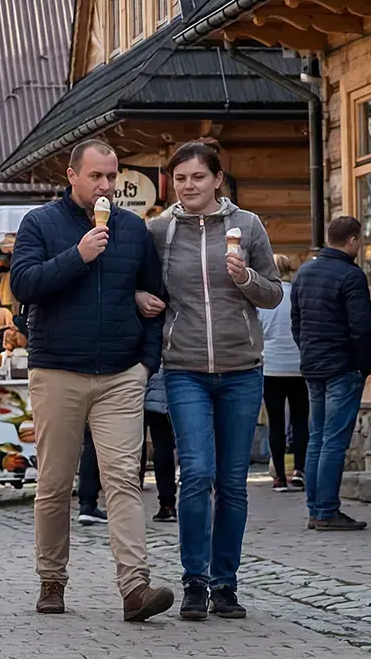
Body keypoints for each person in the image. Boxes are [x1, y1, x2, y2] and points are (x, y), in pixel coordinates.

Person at [9, 138, 172, 622]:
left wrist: (145, 363)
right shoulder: (40, 223)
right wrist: (78, 255)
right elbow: (24, 285)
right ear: (72, 176)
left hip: (121, 373)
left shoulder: (132, 229)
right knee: (55, 483)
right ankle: (51, 580)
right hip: (58, 370)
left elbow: (154, 296)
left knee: (123, 479)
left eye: (111, 176)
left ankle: (135, 588)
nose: (105, 185)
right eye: (96, 176)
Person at [144, 141, 283, 621]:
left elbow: (273, 293)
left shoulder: (248, 225)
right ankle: (194, 580)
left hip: (242, 369)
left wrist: (245, 278)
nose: (189, 186)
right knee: (198, 472)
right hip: (184, 369)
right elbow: (139, 285)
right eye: (181, 179)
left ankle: (225, 583)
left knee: (232, 482)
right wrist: (141, 298)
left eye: (198, 177)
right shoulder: (159, 231)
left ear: (218, 179)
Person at [292, 216, 371, 531]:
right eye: (360, 240)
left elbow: (296, 321)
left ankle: (316, 509)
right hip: (343, 365)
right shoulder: (351, 275)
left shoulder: (304, 272)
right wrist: (365, 364)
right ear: (353, 240)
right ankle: (327, 511)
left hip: (313, 365)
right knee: (334, 440)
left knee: (317, 437)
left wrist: (307, 351)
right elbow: (362, 326)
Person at [258, 253, 308, 493]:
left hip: (271, 367)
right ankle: (299, 470)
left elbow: (258, 331)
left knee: (276, 422)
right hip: (299, 366)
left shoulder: (265, 300)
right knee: (300, 420)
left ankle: (279, 476)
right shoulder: (298, 295)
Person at [143, 363, 177, 523]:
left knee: (160, 449)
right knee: (167, 449)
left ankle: (166, 504)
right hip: (170, 391)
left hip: (152, 392)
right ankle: (169, 504)